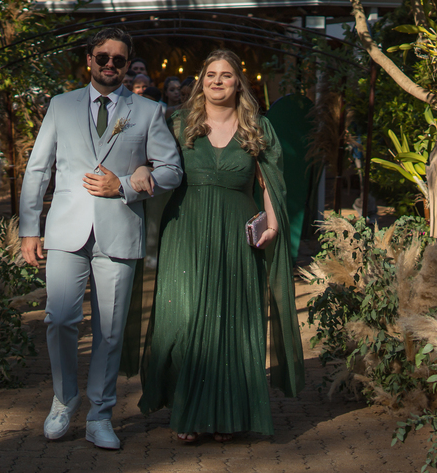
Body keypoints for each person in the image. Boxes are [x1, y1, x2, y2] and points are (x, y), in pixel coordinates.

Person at [125, 50, 305, 442]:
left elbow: (270, 182)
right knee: (182, 320)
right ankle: (188, 410)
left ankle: (225, 415)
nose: (217, 81)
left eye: (226, 75)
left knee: (232, 324)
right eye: (210, 75)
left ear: (238, 82)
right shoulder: (178, 123)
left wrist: (273, 224)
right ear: (201, 81)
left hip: (236, 235)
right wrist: (139, 169)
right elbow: (148, 160)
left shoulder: (258, 126)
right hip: (185, 232)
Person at [19, 28, 183, 450]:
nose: (110, 65)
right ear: (89, 59)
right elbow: (38, 169)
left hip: (119, 229)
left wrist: (125, 186)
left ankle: (100, 414)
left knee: (109, 330)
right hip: (65, 231)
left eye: (119, 60)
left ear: (127, 65)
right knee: (59, 319)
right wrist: (29, 228)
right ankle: (63, 400)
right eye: (103, 57)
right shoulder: (61, 105)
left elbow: (171, 170)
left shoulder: (148, 111)